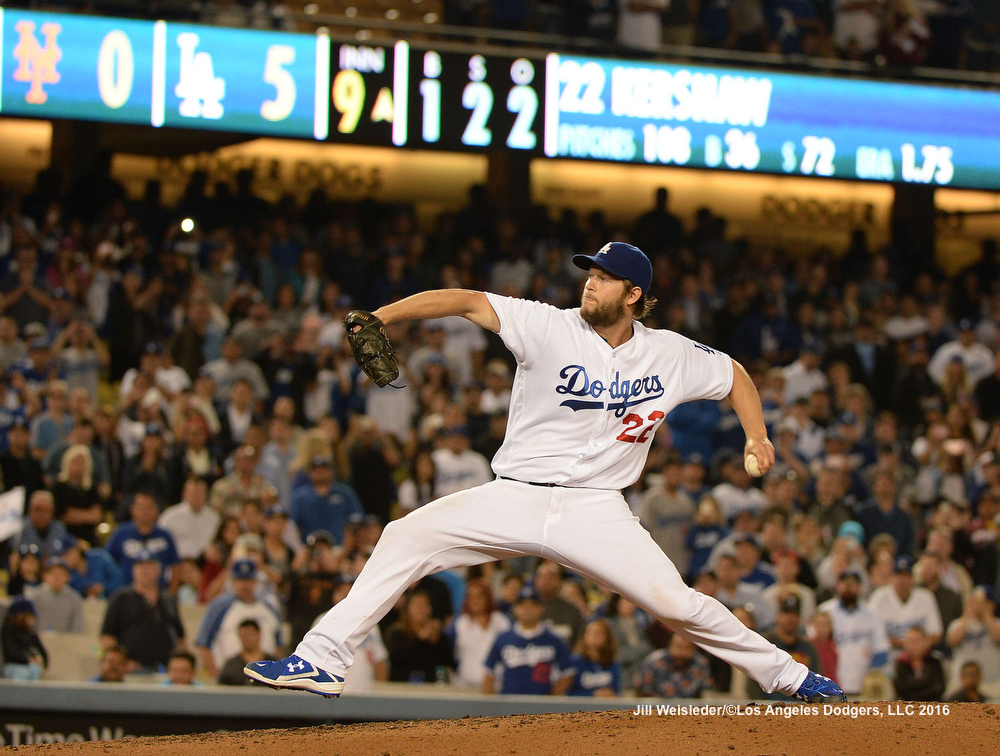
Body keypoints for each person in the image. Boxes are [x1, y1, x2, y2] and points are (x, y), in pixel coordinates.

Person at [245, 241, 843, 702]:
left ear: (633, 293)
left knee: (678, 604)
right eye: (589, 272)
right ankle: (322, 658)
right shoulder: (547, 324)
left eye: (604, 277)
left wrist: (758, 434)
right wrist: (382, 314)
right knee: (405, 535)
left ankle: (791, 679)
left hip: (597, 509)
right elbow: (465, 300)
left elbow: (735, 373)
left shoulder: (670, 354)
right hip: (517, 496)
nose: (590, 282)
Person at [482, 585, 574, 695]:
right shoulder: (504, 638)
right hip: (509, 704)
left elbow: (567, 673)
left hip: (541, 706)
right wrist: (489, 704)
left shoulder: (554, 639)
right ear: (515, 608)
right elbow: (489, 671)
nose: (527, 609)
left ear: (541, 608)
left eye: (533, 605)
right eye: (522, 605)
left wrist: (551, 699)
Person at [448, 577, 511, 690]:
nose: (475, 600)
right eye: (470, 597)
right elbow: (449, 654)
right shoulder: (460, 623)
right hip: (465, 686)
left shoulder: (501, 622)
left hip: (496, 688)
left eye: (479, 596)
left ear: (488, 598)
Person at [568, 618, 621, 696]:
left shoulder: (612, 664)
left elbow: (616, 690)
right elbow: (568, 692)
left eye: (598, 633)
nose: (594, 636)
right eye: (590, 632)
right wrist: (593, 694)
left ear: (606, 637)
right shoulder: (574, 662)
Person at [218, 618, 278, 686]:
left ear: (259, 635)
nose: (247, 639)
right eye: (244, 636)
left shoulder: (273, 664)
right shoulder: (231, 665)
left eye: (250, 635)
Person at [1, 596, 48, 680]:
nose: (33, 619)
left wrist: (43, 660)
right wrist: (28, 659)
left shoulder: (30, 632)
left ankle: (34, 693)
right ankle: (17, 693)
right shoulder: (8, 631)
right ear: (21, 616)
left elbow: (40, 648)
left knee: (35, 669)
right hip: (12, 665)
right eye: (30, 616)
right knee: (22, 672)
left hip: (28, 664)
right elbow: (11, 650)